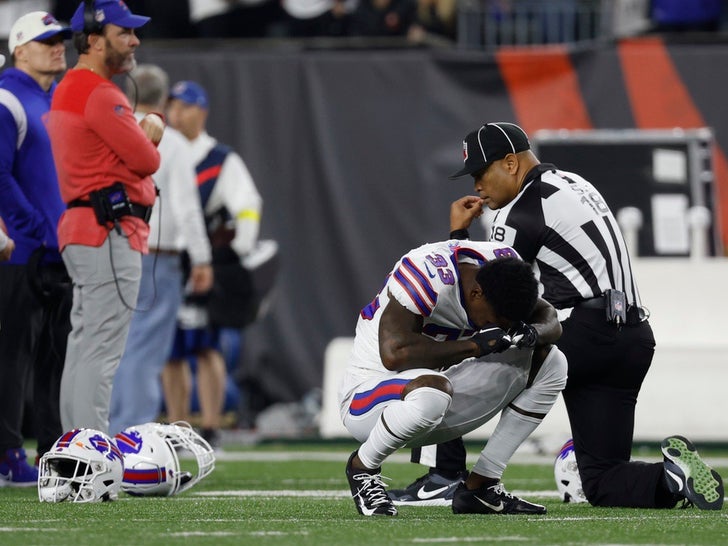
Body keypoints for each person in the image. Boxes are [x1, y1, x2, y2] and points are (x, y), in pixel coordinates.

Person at [395, 122, 724, 511]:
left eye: (482, 173)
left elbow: (481, 296)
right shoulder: (574, 182)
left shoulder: (519, 212)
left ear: (511, 163)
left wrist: (456, 236)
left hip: (579, 333)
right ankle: (671, 479)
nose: (477, 186)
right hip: (632, 338)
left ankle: (445, 477)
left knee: (445, 351)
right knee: (602, 480)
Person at [340, 239, 568, 516]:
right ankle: (362, 468)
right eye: (495, 319)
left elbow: (548, 316)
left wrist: (531, 333)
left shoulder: (503, 267)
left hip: (438, 396)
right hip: (370, 399)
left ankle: (480, 486)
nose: (498, 327)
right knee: (433, 392)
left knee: (551, 361)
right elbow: (394, 353)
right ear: (475, 294)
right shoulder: (426, 273)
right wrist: (474, 346)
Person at [45, 0, 162, 434]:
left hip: (88, 230)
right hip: (107, 231)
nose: (134, 41)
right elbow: (145, 158)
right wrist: (152, 126)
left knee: (85, 345)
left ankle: (76, 446)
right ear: (93, 41)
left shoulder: (73, 87)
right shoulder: (98, 92)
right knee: (100, 348)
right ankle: (90, 450)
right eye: (124, 33)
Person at [108, 64, 213, 435]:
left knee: (112, 346)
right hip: (157, 257)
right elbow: (186, 206)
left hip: (109, 249)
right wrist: (201, 258)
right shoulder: (173, 143)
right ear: (164, 101)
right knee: (146, 351)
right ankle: (130, 432)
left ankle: (103, 428)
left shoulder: (112, 133)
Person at [162, 80, 263, 448]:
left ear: (201, 111)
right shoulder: (162, 150)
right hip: (169, 258)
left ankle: (209, 426)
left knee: (206, 345)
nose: (176, 113)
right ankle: (176, 426)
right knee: (170, 349)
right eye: (172, 105)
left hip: (207, 261)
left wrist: (238, 250)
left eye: (185, 106)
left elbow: (248, 203)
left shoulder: (221, 159)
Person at [0, 10, 72, 486]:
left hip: (60, 251)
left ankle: (51, 451)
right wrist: (31, 228)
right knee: (12, 356)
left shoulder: (56, 99)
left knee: (54, 358)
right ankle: (7, 453)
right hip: (21, 253)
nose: (58, 46)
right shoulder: (7, 98)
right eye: (47, 40)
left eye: (61, 39)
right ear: (20, 48)